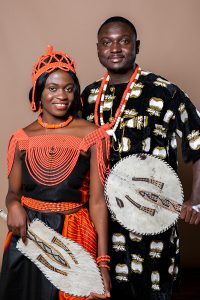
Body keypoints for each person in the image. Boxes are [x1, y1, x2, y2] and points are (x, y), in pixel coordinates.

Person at [81, 16, 200, 300]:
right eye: (107, 43)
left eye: (123, 41)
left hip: (154, 218)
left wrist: (196, 200)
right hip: (103, 221)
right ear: (98, 48)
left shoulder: (165, 92)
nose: (115, 49)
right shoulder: (88, 96)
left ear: (137, 46)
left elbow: (199, 143)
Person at [0, 45, 111, 300]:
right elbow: (13, 194)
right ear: (39, 92)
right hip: (30, 237)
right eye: (52, 88)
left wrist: (103, 262)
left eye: (69, 88)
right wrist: (13, 205)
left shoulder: (93, 135)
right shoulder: (21, 138)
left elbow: (98, 202)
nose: (62, 95)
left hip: (74, 233)